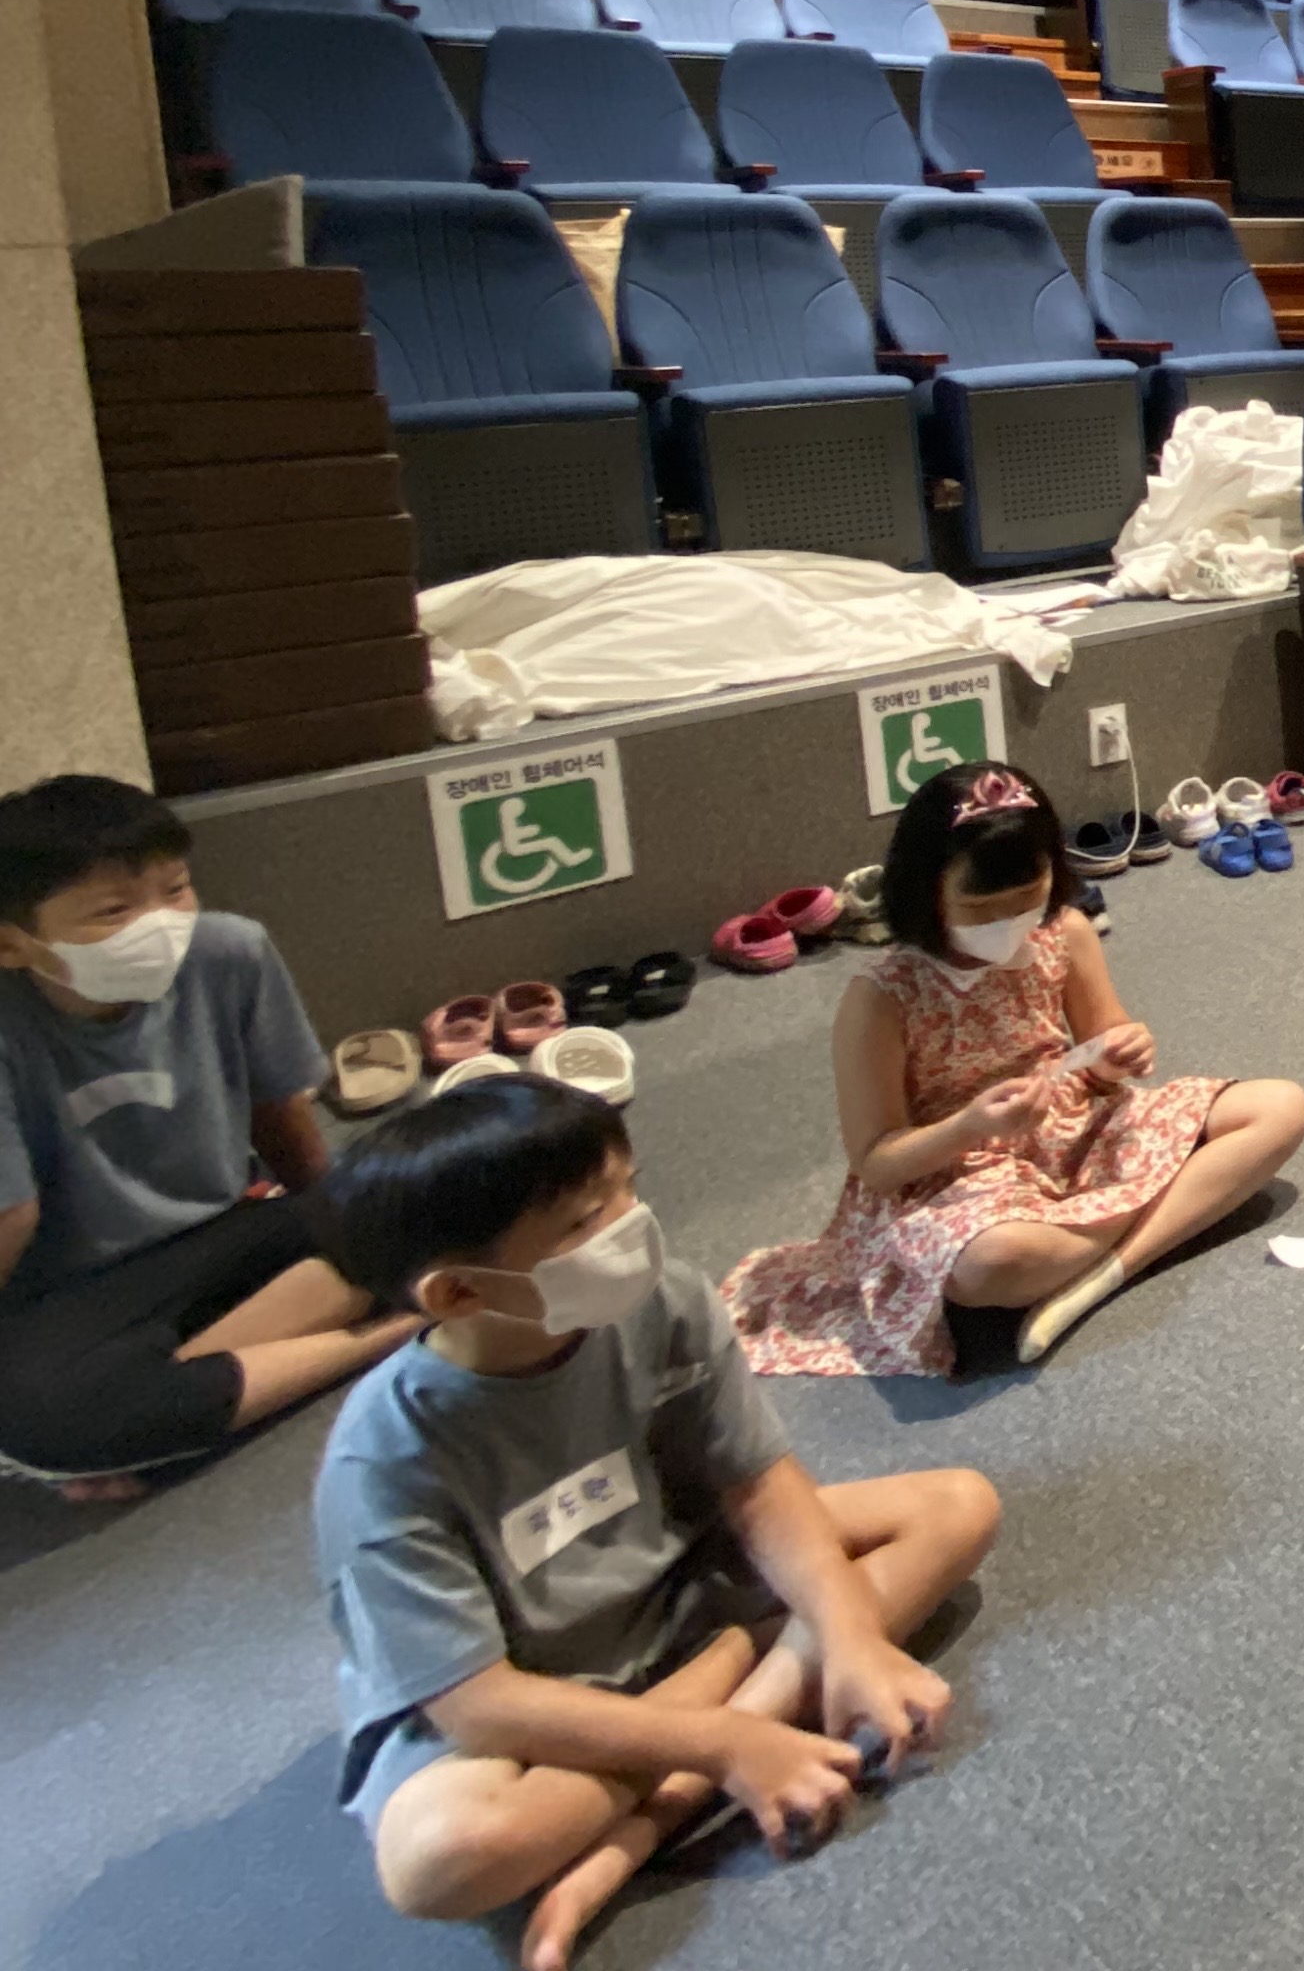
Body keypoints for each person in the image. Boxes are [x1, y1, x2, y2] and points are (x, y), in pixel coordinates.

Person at [315, 1075, 998, 1971]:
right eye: (584, 1221)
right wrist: (724, 1739)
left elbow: (760, 1486)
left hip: (680, 1577)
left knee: (956, 1506)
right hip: (536, 1685)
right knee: (442, 1860)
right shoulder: (382, 1459)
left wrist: (850, 1639)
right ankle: (747, 1670)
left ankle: (646, 1823)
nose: (630, 1225)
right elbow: (480, 1705)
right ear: (459, 1294)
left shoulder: (662, 1298)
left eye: (626, 1190)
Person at [724, 765, 1304, 1375]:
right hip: (957, 1172)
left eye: (1028, 899)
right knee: (992, 1264)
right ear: (926, 891)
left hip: (1074, 1128)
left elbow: (1106, 1047)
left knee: (1280, 1108)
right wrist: (970, 1127)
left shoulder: (1065, 933)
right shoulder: (881, 998)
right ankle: (1164, 1213)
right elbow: (877, 1161)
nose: (1007, 922)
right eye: (980, 908)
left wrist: (1122, 1052)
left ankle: (1106, 1270)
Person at [0, 773, 415, 1498]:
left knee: (430, 1204)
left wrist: (340, 1215)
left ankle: (167, 1421)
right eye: (113, 910)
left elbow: (278, 1110)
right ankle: (395, 1330)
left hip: (226, 1229)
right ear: (12, 943)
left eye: (176, 889)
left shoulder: (229, 953)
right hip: (77, 1287)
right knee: (33, 1414)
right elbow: (13, 1217)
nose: (160, 923)